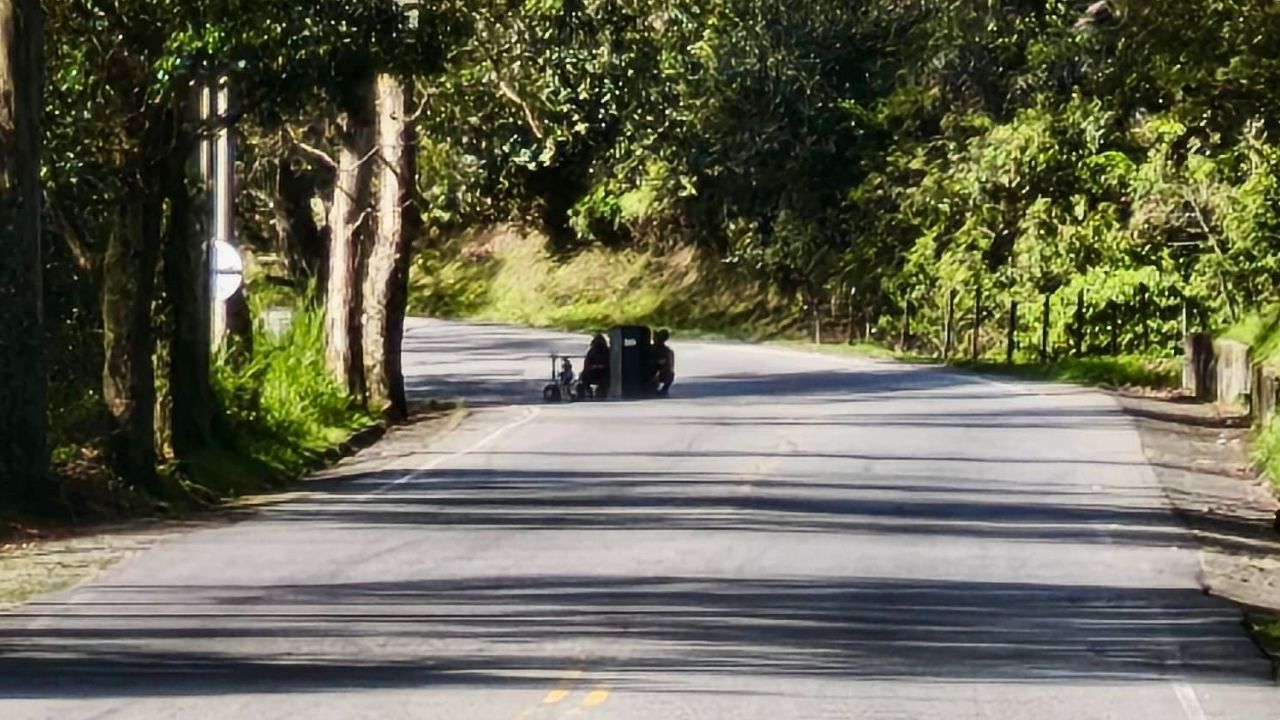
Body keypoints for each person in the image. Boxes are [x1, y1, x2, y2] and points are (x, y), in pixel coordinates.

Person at [580, 333, 610, 398]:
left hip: (593, 373)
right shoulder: (607, 351)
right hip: (604, 373)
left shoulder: (591, 351)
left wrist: (593, 367)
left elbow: (586, 365)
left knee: (584, 377)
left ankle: (587, 391)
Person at [651, 329, 675, 396]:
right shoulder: (651, 348)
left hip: (661, 372)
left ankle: (663, 389)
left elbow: (669, 365)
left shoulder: (666, 351)